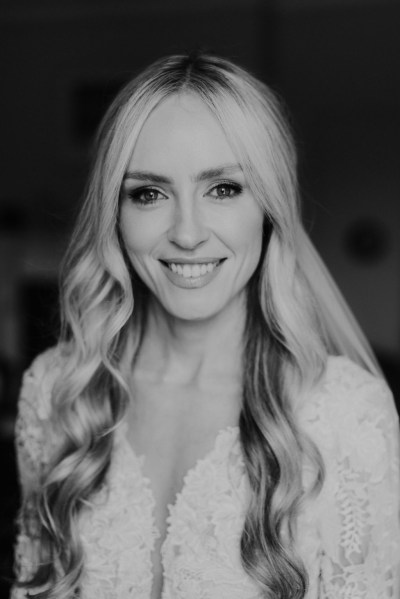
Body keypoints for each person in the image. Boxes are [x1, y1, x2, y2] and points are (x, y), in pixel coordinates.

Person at [11, 53, 400, 599]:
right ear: (114, 215)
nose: (187, 234)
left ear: (269, 206)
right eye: (148, 193)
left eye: (223, 189)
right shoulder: (57, 392)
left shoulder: (345, 417)